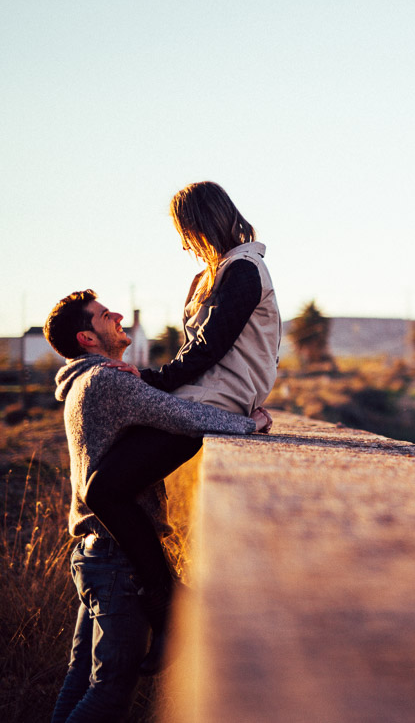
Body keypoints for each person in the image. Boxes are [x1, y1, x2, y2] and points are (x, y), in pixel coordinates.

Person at [44, 289, 271, 722]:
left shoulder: (80, 383)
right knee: (109, 693)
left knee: (81, 679)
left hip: (92, 555)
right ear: (86, 338)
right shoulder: (107, 380)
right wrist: (250, 423)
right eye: (101, 314)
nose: (115, 315)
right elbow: (181, 415)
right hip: (117, 559)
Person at [86, 181, 282, 673]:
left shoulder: (243, 270)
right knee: (108, 477)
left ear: (203, 222)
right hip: (198, 394)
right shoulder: (217, 274)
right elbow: (195, 351)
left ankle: (167, 599)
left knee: (104, 489)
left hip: (214, 398)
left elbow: (208, 349)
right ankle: (154, 595)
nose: (183, 242)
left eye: (186, 230)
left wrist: (151, 378)